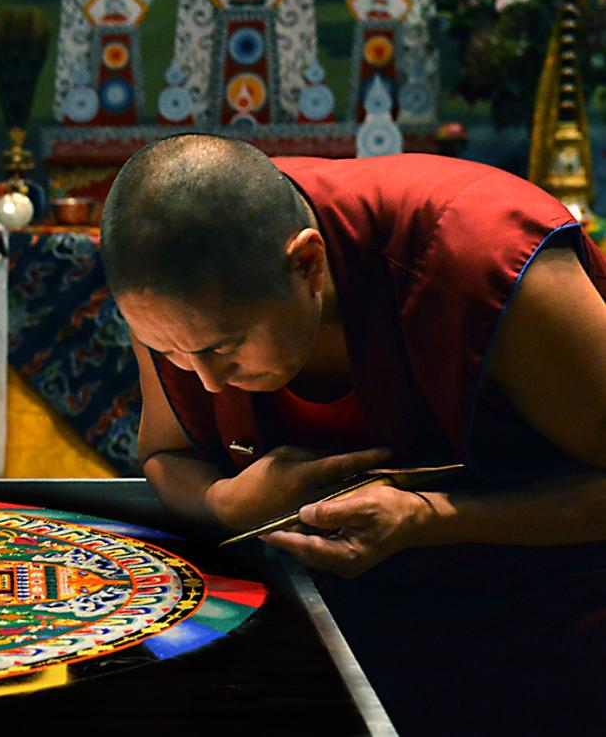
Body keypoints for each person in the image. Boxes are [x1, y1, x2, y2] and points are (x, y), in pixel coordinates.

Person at [99, 133, 606, 733]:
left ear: (307, 263)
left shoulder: (479, 259)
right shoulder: (171, 280)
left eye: (224, 347)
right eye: (171, 352)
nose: (207, 383)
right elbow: (162, 452)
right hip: (345, 629)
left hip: (543, 626)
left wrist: (432, 518)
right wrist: (224, 500)